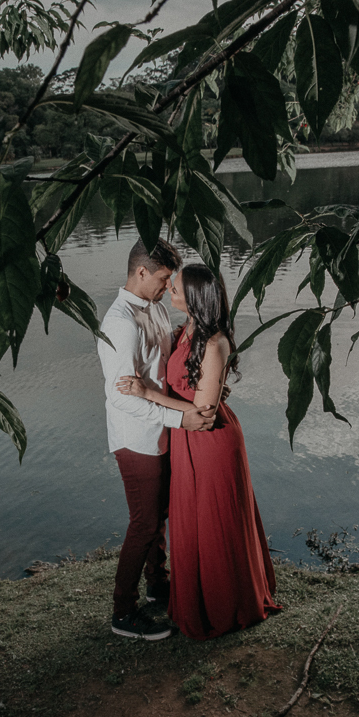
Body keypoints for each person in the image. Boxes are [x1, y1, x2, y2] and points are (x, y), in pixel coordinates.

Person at [118, 263, 281, 640]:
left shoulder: (215, 342)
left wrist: (147, 393)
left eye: (175, 287)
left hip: (209, 440)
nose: (169, 290)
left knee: (213, 518)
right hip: (185, 436)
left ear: (193, 298)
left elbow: (204, 409)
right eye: (170, 284)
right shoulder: (185, 329)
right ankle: (193, 595)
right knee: (190, 517)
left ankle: (224, 603)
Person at [98, 240, 218, 641]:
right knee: (144, 522)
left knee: (158, 517)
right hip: (137, 439)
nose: (168, 288)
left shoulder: (156, 309)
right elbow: (121, 397)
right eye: (164, 279)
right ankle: (123, 611)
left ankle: (157, 584)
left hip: (163, 432)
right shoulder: (120, 323)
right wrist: (183, 418)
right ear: (142, 272)